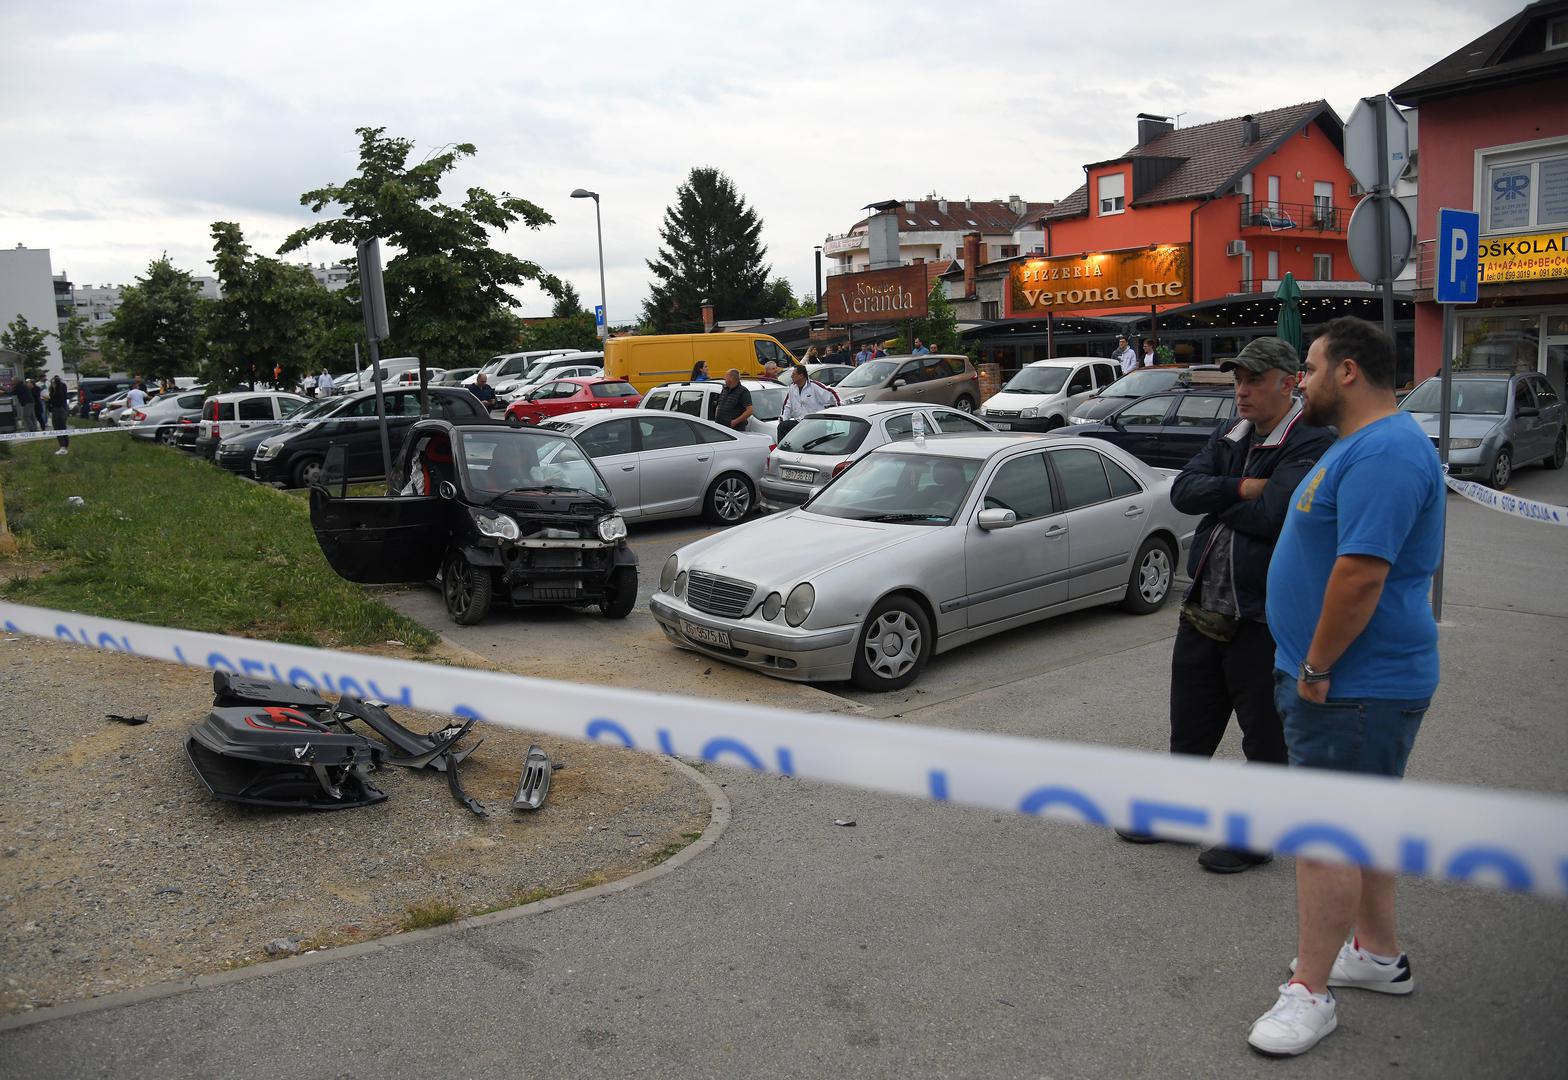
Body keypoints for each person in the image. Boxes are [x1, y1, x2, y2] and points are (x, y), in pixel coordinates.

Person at [1246, 318, 1444, 1057]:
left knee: (1326, 834)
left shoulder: (1386, 452)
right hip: (1355, 683)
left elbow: (1361, 573)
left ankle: (1311, 993)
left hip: (1354, 684)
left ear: (1350, 372)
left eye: (1311, 366)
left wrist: (1319, 664)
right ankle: (1378, 953)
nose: (1302, 379)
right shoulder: (1359, 446)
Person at [1116, 338, 1333, 871]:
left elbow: (1274, 516)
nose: (1242, 390)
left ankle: (1257, 836)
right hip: (1205, 605)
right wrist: (1242, 488)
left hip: (1264, 614)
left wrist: (1221, 500)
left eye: (1254, 380)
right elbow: (1183, 492)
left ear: (1289, 383)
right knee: (1190, 722)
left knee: (1264, 735)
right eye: (1238, 379)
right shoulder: (1232, 433)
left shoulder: (1311, 442)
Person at [777, 365, 838, 442]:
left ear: (801, 376)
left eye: (793, 374)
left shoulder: (814, 386)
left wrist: (840, 410)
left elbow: (832, 394)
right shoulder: (792, 388)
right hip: (800, 422)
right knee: (782, 427)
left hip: (815, 423)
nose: (791, 376)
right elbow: (787, 407)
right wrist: (783, 420)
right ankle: (783, 451)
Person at [49, 375, 71, 454]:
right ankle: (65, 445)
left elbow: (55, 402)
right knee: (63, 427)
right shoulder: (63, 389)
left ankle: (62, 446)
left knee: (58, 428)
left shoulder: (57, 392)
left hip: (57, 410)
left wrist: (49, 400)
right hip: (63, 410)